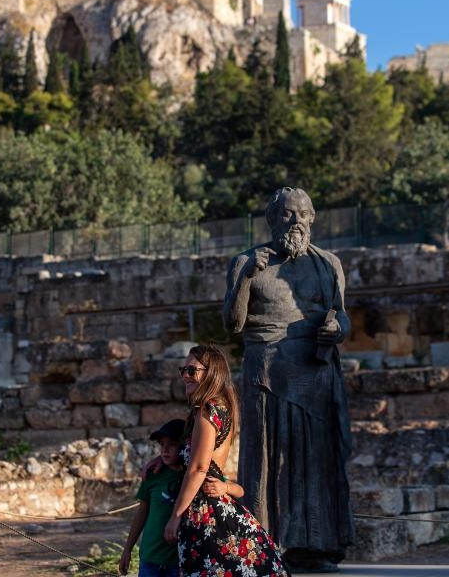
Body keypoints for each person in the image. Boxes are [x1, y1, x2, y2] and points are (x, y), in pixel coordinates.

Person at [223, 187, 354, 572]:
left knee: (314, 460)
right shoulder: (246, 261)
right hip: (266, 372)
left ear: (312, 219)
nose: (295, 221)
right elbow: (233, 323)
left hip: (314, 373)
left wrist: (337, 328)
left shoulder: (329, 263)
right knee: (267, 459)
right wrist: (246, 278)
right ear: (272, 218)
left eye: (302, 214)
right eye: (286, 214)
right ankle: (263, 544)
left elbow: (342, 314)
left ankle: (314, 546)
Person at [162, 343, 289, 577]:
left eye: (192, 371)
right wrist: (159, 461)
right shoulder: (220, 407)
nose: (185, 376)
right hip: (213, 509)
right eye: (184, 370)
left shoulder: (208, 410)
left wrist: (175, 517)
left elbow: (199, 467)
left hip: (204, 515)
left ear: (211, 373)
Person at [118, 419, 185, 577]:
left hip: (179, 561)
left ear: (184, 445)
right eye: (162, 444)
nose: (165, 450)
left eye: (172, 444)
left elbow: (237, 491)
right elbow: (141, 513)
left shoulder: (193, 476)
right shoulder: (153, 475)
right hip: (150, 558)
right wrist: (127, 549)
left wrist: (227, 487)